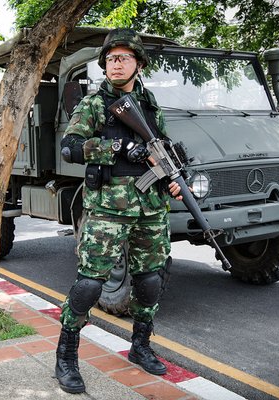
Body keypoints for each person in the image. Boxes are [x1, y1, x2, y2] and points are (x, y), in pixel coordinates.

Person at [56, 28, 182, 394]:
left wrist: (174, 177)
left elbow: (163, 149)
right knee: (89, 285)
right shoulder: (94, 104)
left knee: (150, 280)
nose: (116, 64)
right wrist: (118, 149)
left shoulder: (151, 103)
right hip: (109, 209)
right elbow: (71, 148)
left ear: (138, 64)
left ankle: (140, 346)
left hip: (151, 206)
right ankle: (66, 357)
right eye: (111, 58)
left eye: (124, 58)